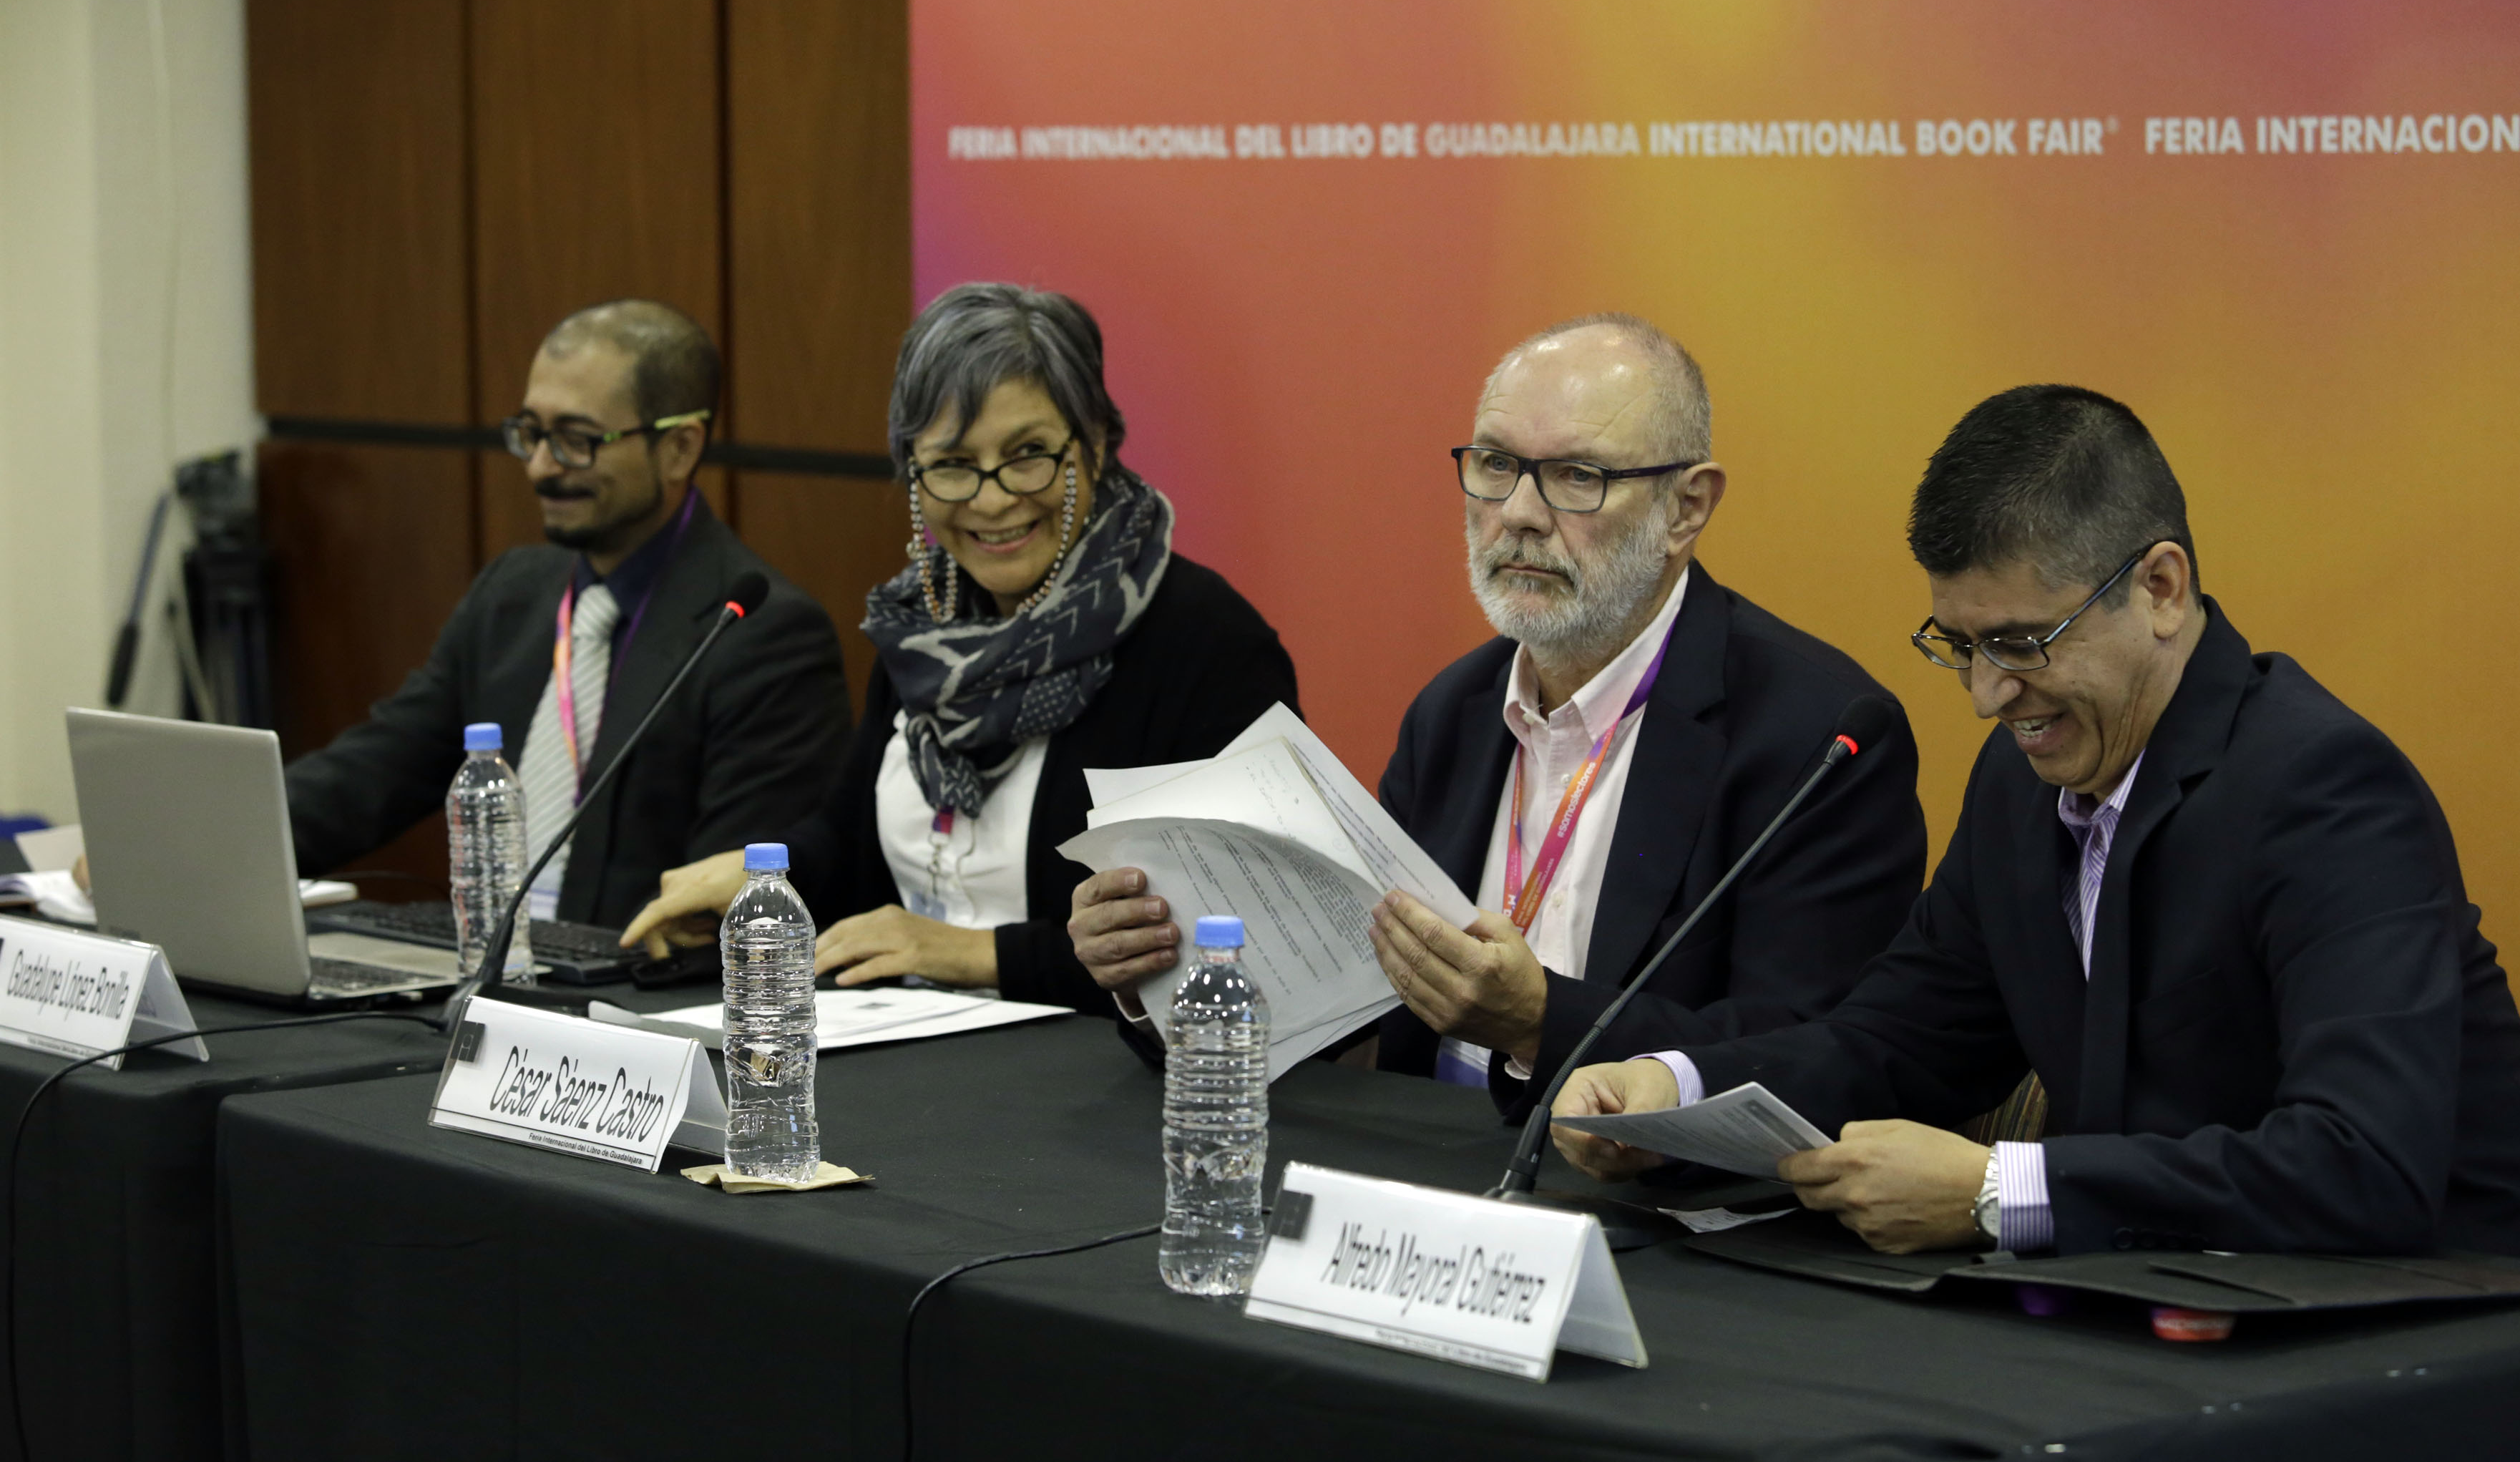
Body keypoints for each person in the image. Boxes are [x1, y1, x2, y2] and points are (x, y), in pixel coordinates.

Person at [1554, 384, 2520, 1257]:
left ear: (2159, 587)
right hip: (2169, 1300)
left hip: (2437, 1324)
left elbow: (2361, 1163)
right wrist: (1675, 1090)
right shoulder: (2020, 782)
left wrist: (1997, 1190)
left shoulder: (2324, 789)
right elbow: (1900, 1041)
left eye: (2022, 643)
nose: (1986, 695)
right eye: (1958, 644)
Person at [1071, 316, 1925, 1101]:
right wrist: (1166, 975)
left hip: (1646, 1197)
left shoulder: (1818, 736)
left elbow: (1812, 1053)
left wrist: (1540, 1022)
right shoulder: (1455, 711)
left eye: (1578, 477)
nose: (1518, 514)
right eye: (1495, 466)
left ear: (1686, 507)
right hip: (1417, 1175)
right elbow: (1345, 1018)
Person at [618, 283, 1299, 1015]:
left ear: (1096, 445)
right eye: (952, 463)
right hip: (907, 1047)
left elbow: (1233, 941)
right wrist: (765, 881)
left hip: (1100, 1070)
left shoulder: (1207, 645)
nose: (993, 498)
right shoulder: (925, 631)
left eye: (1029, 454)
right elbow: (850, 846)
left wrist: (977, 956)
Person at [285, 299, 849, 930]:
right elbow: (377, 770)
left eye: (577, 441)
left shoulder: (760, 635)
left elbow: (730, 904)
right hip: (484, 964)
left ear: (679, 448)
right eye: (531, 432)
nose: (541, 467)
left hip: (632, 980)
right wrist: (228, 832)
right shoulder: (512, 594)